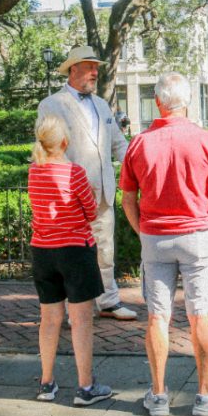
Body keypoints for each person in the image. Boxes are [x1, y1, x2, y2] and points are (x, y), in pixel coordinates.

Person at [120, 72, 208, 416]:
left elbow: (128, 198)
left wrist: (143, 231)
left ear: (157, 101)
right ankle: (204, 395)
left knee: (158, 316)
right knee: (200, 315)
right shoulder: (206, 140)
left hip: (155, 237)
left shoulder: (139, 144)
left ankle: (158, 394)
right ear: (188, 102)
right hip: (197, 235)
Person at [37, 46, 136, 321]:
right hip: (70, 195)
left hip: (103, 191)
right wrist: (63, 186)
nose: (95, 72)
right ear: (73, 69)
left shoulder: (102, 104)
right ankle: (75, 309)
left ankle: (109, 301)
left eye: (96, 67)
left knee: (105, 249)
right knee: (74, 253)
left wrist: (138, 168)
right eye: (90, 67)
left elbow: (118, 143)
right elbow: (49, 148)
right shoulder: (51, 104)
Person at [27, 115, 112, 406]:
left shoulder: (33, 172)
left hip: (43, 251)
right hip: (75, 250)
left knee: (49, 320)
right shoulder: (74, 173)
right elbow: (90, 212)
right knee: (81, 321)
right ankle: (85, 386)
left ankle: (46, 382)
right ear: (64, 141)